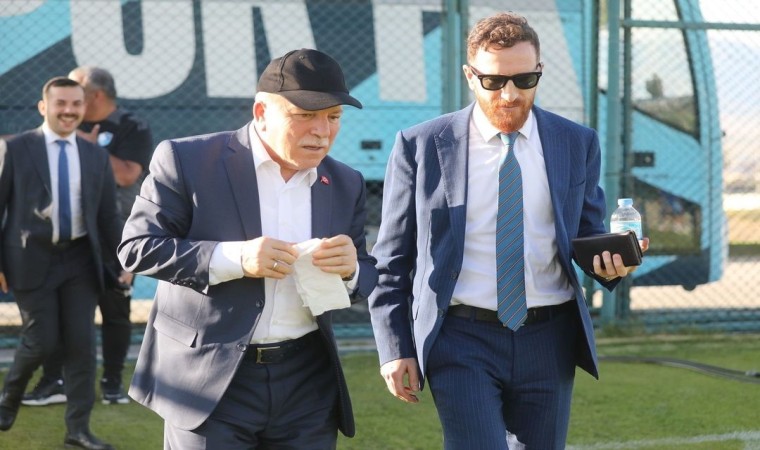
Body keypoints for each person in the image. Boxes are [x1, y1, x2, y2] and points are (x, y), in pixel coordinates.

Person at [368, 12, 650, 449]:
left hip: (550, 338)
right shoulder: (420, 145)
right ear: (470, 75)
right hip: (460, 338)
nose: (510, 93)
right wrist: (395, 347)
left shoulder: (576, 142)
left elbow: (584, 233)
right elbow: (391, 260)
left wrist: (612, 262)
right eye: (494, 81)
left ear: (540, 72)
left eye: (524, 79)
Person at [118, 48, 378, 448]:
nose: (322, 131)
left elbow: (364, 270)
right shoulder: (186, 160)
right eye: (305, 115)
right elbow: (138, 247)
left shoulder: (346, 182)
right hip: (208, 377)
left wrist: (351, 270)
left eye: (333, 117)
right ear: (261, 112)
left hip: (308, 382)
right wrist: (235, 258)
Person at [0, 76, 125, 449]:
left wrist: (124, 259)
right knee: (41, 341)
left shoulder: (95, 155)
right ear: (44, 107)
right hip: (30, 258)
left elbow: (108, 215)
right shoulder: (16, 149)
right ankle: (8, 400)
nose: (69, 111)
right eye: (61, 104)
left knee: (82, 346)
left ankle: (78, 431)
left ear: (84, 107)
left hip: (80, 261)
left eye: (76, 104)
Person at [22, 66, 153, 407]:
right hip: (69, 236)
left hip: (114, 233)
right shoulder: (63, 127)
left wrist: (91, 149)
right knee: (61, 314)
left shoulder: (131, 126)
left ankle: (112, 383)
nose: (70, 103)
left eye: (77, 90)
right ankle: (55, 381)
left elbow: (127, 176)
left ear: (95, 95)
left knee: (115, 310)